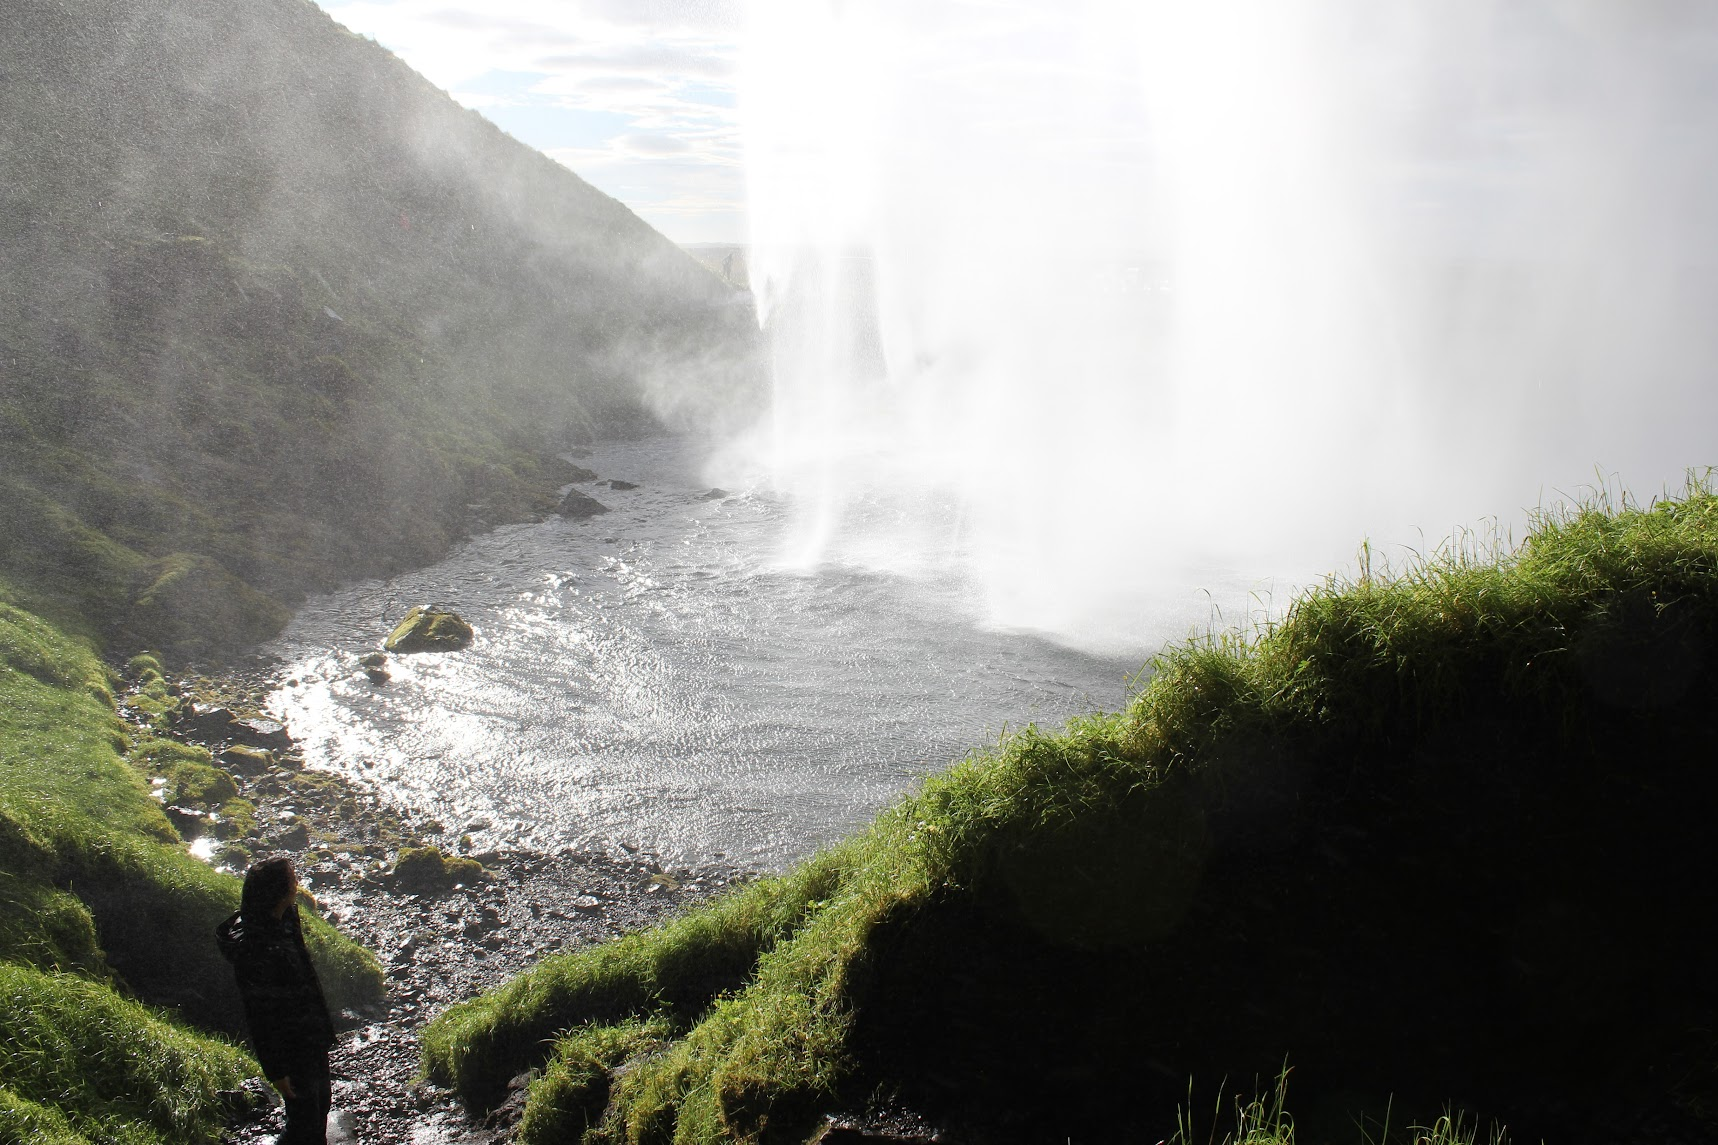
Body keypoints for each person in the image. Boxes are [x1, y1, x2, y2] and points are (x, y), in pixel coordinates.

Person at [216, 856, 336, 1145]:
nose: (297, 883)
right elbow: (258, 1013)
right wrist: (276, 1070)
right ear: (278, 891)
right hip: (290, 1044)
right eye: (292, 879)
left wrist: (321, 1029)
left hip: (310, 1032)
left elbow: (304, 972)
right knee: (302, 1122)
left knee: (321, 1105)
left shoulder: (285, 918)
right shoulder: (254, 946)